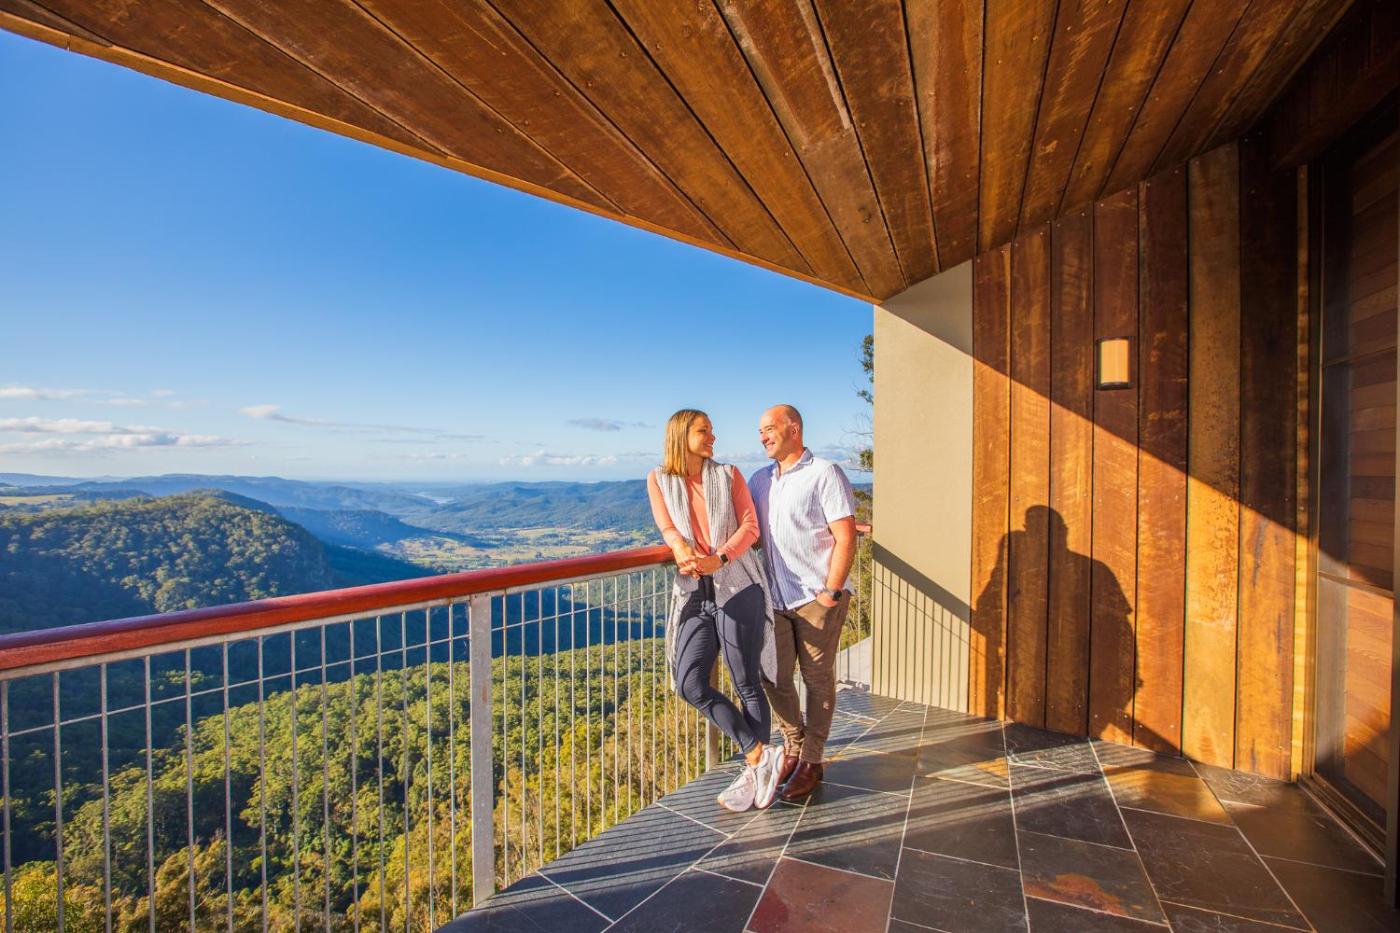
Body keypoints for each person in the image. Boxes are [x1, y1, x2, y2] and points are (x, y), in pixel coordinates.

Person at [647, 408, 783, 811]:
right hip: (694, 592)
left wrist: (718, 559)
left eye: (711, 430)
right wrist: (679, 547)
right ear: (680, 435)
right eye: (704, 431)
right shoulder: (659, 479)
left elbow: (750, 527)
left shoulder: (728, 475)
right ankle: (759, 754)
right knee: (689, 682)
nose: (712, 437)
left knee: (746, 683)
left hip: (738, 583)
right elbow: (668, 527)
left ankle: (753, 772)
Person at [748, 404, 857, 801]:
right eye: (760, 431)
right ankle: (793, 744)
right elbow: (750, 533)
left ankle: (811, 759)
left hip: (816, 598)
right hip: (774, 598)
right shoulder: (759, 480)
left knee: (817, 678)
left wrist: (831, 592)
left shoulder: (825, 473)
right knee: (772, 675)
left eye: (768, 428)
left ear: (793, 428)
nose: (762, 436)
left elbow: (846, 535)